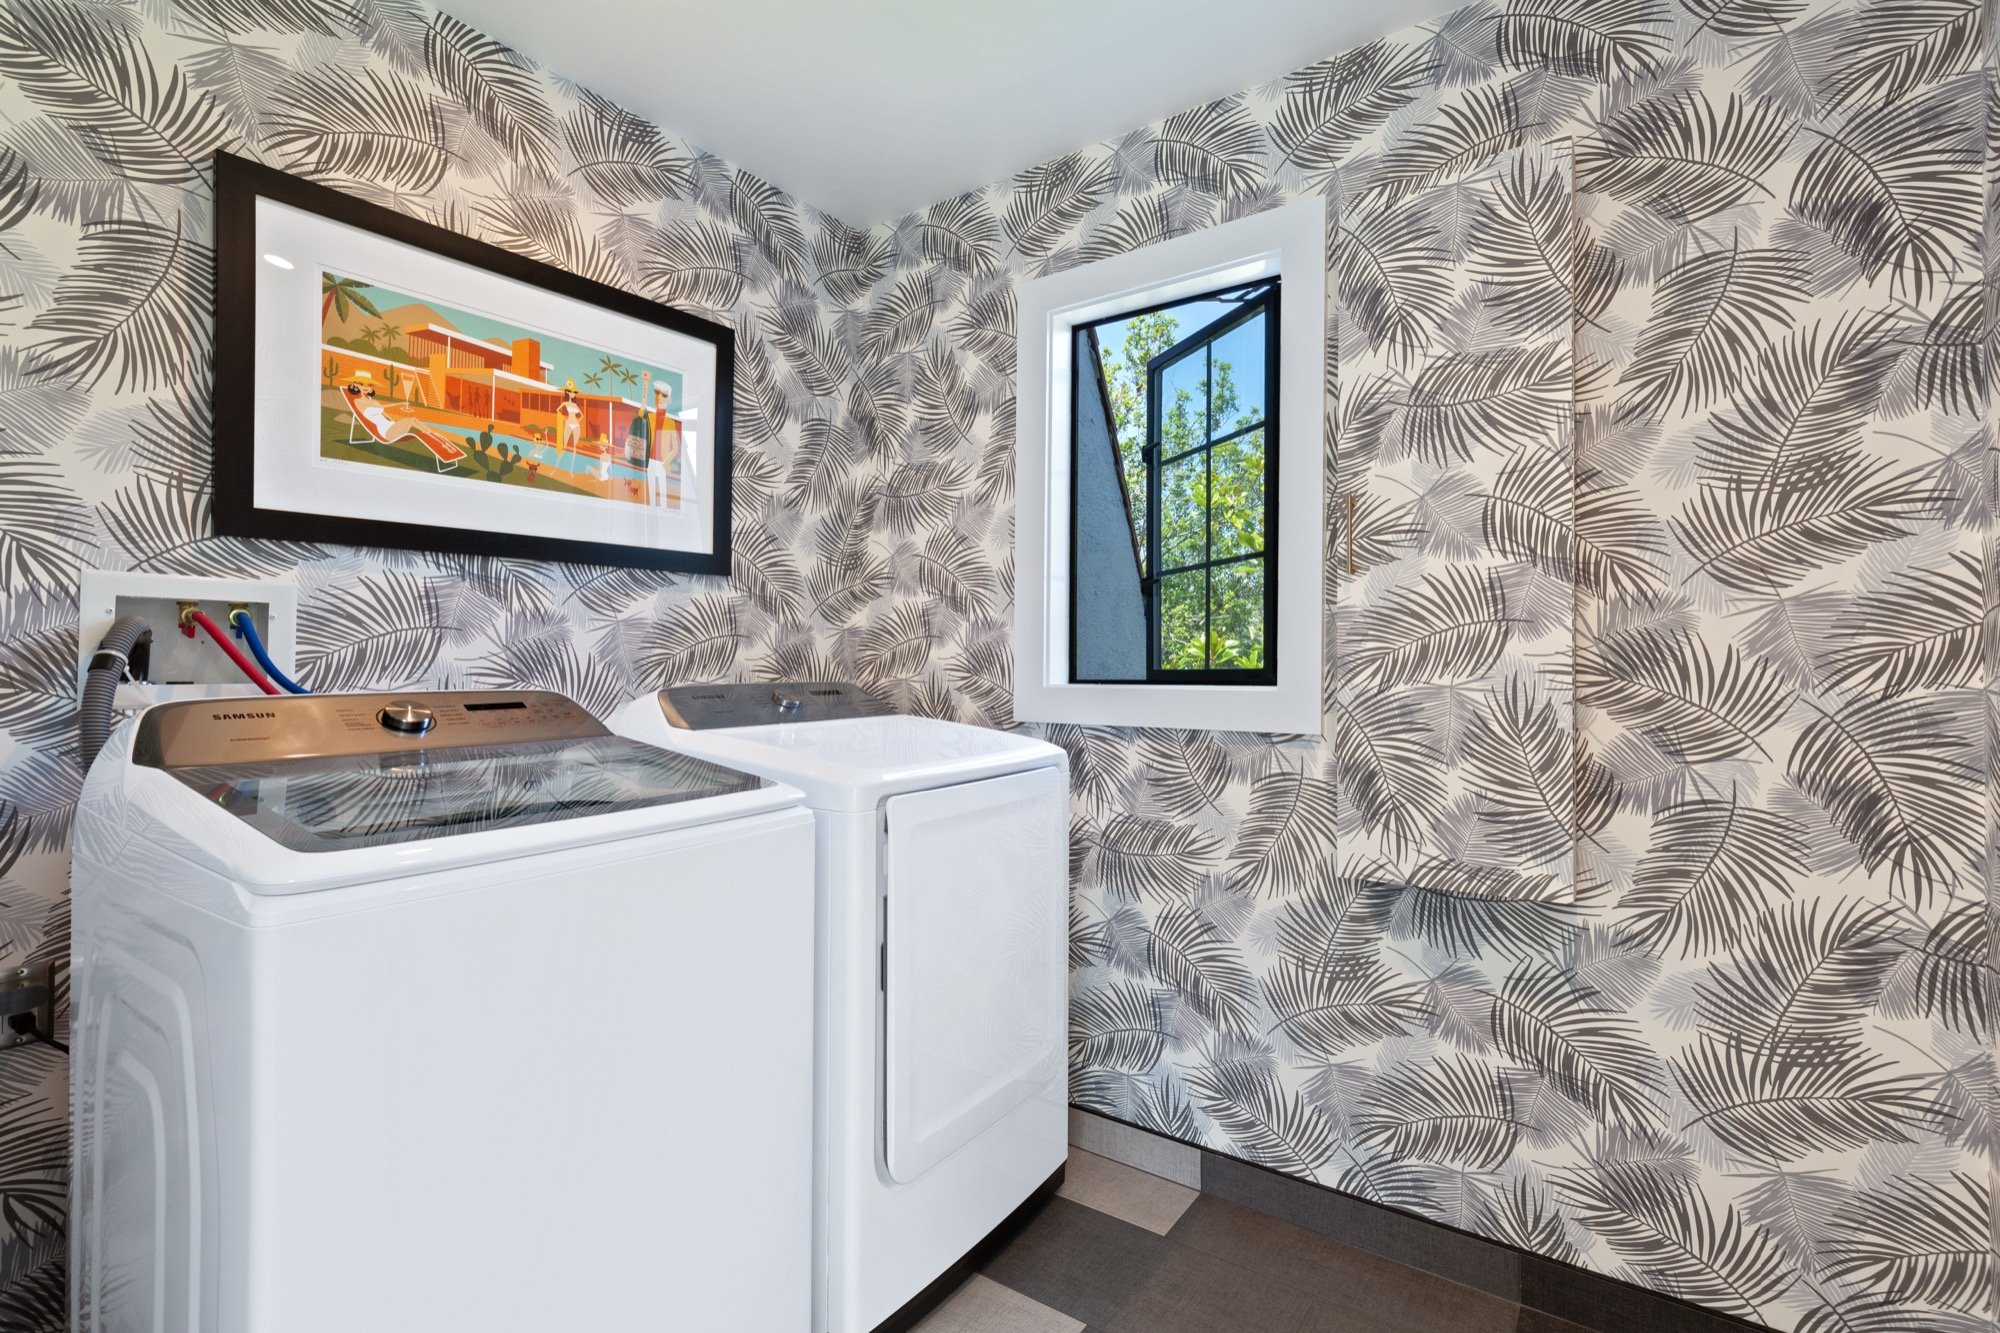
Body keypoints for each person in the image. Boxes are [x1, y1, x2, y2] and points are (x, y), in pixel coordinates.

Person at [556, 379, 583, 473]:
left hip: (576, 425)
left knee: (575, 448)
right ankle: (556, 468)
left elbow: (582, 415)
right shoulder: (565, 403)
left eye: (574, 392)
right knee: (564, 446)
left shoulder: (575, 405)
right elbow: (557, 410)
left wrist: (577, 421)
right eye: (571, 391)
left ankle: (571, 470)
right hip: (568, 424)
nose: (573, 393)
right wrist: (565, 419)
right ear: (567, 392)